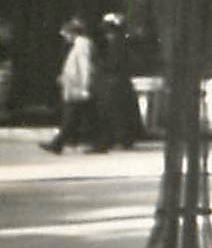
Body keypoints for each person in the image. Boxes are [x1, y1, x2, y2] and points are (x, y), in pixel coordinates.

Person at [40, 16, 106, 154]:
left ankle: (58, 144)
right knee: (87, 116)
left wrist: (85, 86)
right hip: (76, 86)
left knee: (71, 116)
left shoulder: (82, 45)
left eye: (66, 34)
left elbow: (84, 66)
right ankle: (99, 143)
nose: (65, 37)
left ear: (73, 32)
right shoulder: (79, 44)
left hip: (78, 87)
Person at [96, 11, 142, 149]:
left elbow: (114, 63)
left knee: (114, 111)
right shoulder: (121, 41)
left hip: (115, 82)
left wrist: (100, 65)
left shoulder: (116, 42)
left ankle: (117, 139)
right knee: (121, 111)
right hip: (121, 82)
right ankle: (123, 138)